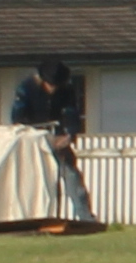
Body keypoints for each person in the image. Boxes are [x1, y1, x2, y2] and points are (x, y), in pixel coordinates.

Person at [7, 60, 91, 221]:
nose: (53, 89)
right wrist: (38, 136)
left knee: (72, 177)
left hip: (58, 140)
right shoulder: (26, 89)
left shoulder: (66, 90)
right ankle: (36, 218)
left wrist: (69, 135)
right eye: (51, 84)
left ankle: (86, 218)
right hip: (33, 142)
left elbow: (71, 113)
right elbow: (17, 119)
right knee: (37, 182)